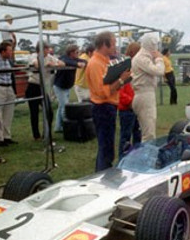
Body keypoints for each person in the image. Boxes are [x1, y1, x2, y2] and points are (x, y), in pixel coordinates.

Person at [85, 31, 131, 171]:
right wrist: (122, 79)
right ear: (105, 44)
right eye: (114, 44)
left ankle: (104, 171)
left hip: (108, 107)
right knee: (105, 146)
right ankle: (102, 175)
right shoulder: (95, 64)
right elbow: (103, 92)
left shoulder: (104, 61)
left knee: (108, 144)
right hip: (102, 107)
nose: (116, 47)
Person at [27, 41, 64, 140]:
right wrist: (46, 63)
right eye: (47, 49)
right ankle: (36, 135)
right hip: (33, 86)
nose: (49, 50)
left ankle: (46, 133)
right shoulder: (33, 56)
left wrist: (53, 63)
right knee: (34, 112)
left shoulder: (50, 57)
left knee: (49, 111)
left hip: (42, 87)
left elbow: (62, 63)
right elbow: (36, 64)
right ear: (41, 49)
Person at [131, 34, 165, 142]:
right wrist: (159, 59)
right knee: (148, 134)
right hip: (144, 94)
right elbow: (159, 71)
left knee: (148, 129)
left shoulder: (144, 57)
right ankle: (147, 156)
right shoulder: (141, 58)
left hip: (146, 94)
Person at [53, 44, 87, 132]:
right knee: (64, 107)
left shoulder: (74, 59)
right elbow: (65, 61)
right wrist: (77, 64)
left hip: (66, 86)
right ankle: (66, 127)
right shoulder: (63, 58)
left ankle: (58, 127)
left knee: (61, 106)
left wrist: (79, 63)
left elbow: (84, 61)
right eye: (76, 52)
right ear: (71, 52)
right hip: (60, 86)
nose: (78, 54)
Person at [118, 42, 142, 160]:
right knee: (125, 136)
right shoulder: (124, 68)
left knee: (137, 133)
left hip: (134, 106)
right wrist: (131, 102)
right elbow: (120, 93)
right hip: (127, 109)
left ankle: (136, 156)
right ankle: (123, 158)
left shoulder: (135, 67)